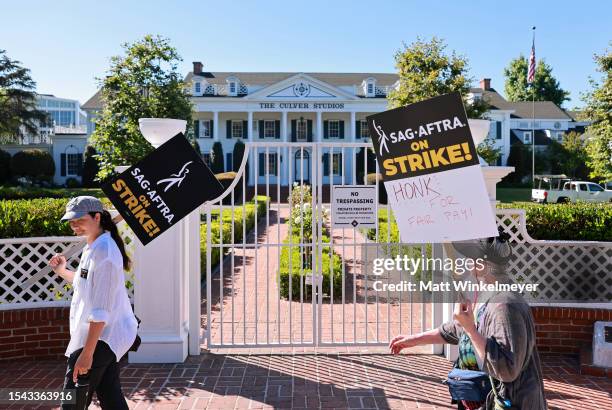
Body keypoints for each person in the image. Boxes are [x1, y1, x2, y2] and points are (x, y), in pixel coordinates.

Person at [389, 232, 548, 410]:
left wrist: (471, 329)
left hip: (513, 403)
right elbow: (457, 330)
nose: (467, 263)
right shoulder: (489, 293)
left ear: (482, 265)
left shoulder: (504, 306)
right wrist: (412, 340)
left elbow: (507, 369)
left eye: (471, 258)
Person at [48, 196, 138, 409]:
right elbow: (85, 283)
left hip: (101, 338)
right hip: (102, 337)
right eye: (71, 221)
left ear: (97, 217)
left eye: (79, 219)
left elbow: (101, 310)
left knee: (72, 404)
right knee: (111, 396)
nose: (74, 225)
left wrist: (86, 354)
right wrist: (61, 271)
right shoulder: (94, 246)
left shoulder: (104, 252)